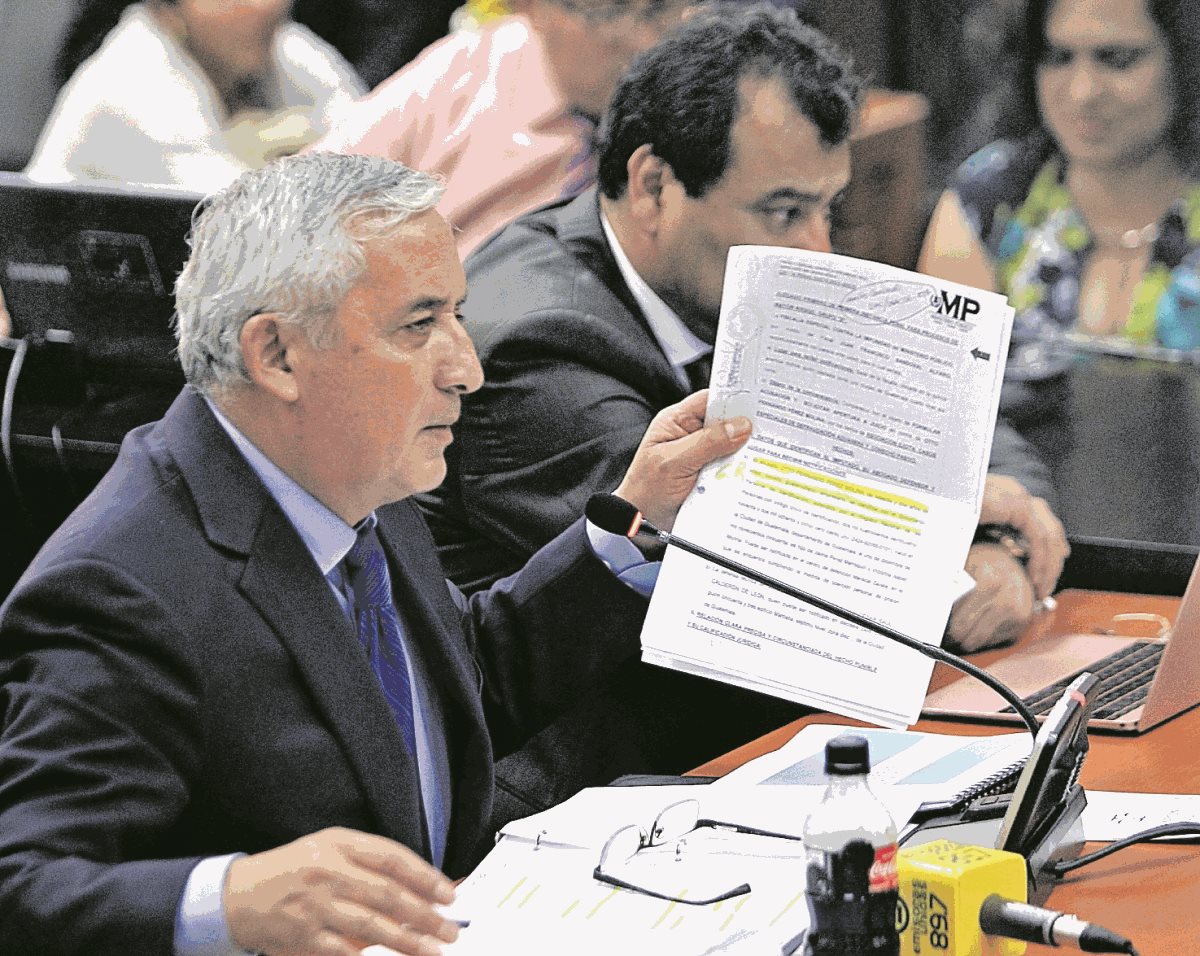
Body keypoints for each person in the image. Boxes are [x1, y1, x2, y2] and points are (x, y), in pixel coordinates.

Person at [0, 152, 752, 955]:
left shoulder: (354, 469)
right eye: (419, 325)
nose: (467, 369)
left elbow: (457, 684)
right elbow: (22, 886)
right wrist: (232, 899)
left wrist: (632, 519)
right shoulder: (118, 589)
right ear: (277, 355)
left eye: (458, 316)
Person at [417, 3, 1069, 830]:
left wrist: (1003, 536)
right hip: (598, 797)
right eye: (783, 211)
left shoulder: (753, 277)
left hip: (766, 746)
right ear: (654, 186)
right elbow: (749, 562)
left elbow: (963, 415)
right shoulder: (537, 341)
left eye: (828, 208)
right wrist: (960, 528)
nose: (818, 248)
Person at [918, 0, 1200, 389]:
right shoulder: (988, 199)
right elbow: (942, 394)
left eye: (1117, 59)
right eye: (1057, 57)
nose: (1083, 92)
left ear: (1187, 58)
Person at [311, 0, 692, 256]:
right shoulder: (469, 72)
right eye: (610, 10)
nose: (646, 40)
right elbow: (305, 200)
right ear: (531, 7)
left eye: (661, 7)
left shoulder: (701, 98)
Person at [25, 0, 363, 190]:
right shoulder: (130, 74)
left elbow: (368, 150)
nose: (265, 6)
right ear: (168, 10)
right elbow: (237, 221)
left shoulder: (283, 44)